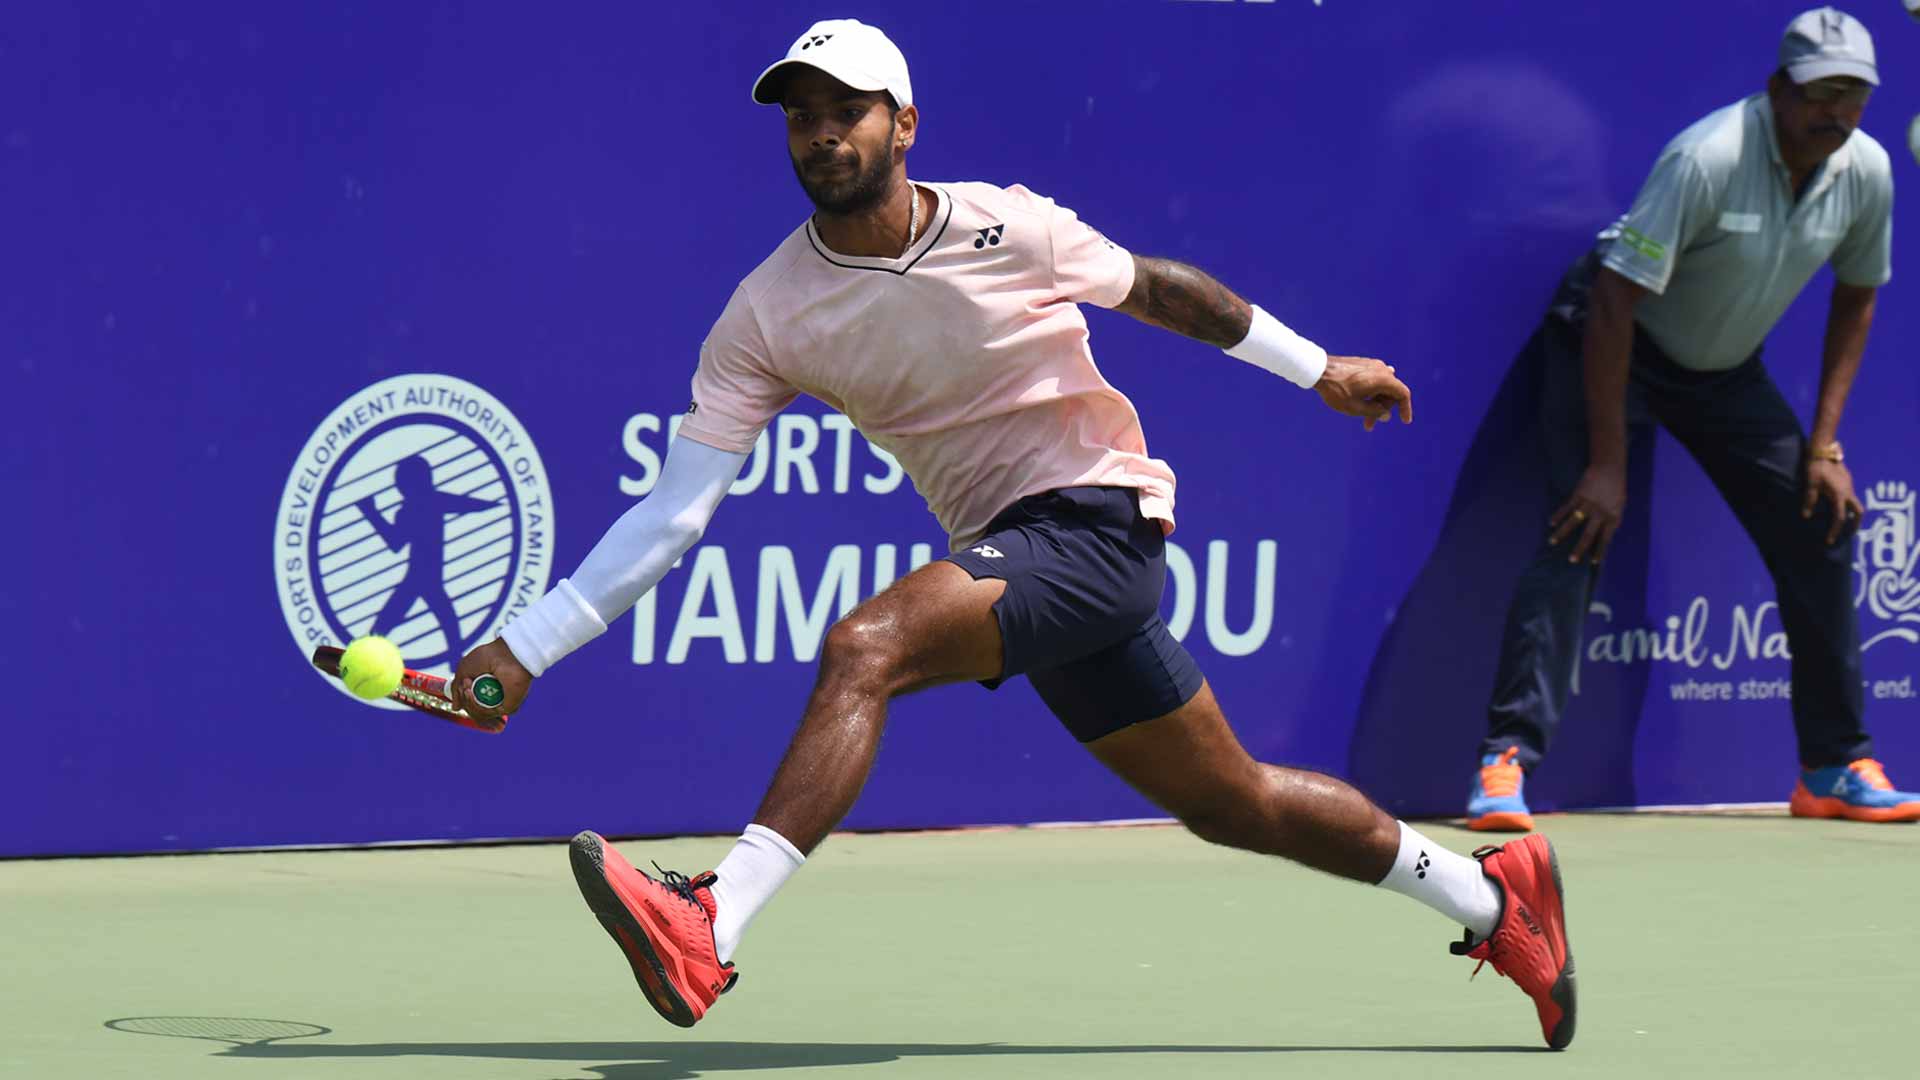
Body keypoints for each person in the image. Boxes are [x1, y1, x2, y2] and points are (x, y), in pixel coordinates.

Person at [450, 19, 1575, 1049]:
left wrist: (1317, 368)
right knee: (1235, 802)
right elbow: (672, 511)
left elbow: (1163, 292)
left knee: (866, 646)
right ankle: (1499, 900)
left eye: (847, 109)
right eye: (802, 114)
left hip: (1100, 523)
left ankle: (715, 921)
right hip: (1018, 557)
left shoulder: (1009, 224)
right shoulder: (766, 314)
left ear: (904, 125)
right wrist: (528, 646)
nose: (823, 132)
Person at [1465, 7, 1916, 832]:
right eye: (1821, 93)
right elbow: (1613, 297)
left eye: (1853, 96)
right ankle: (1504, 765)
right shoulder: (1708, 157)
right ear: (1781, 89)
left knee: (1820, 521)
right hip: (1609, 337)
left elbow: (1858, 296)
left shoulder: (1868, 172)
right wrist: (1608, 465)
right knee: (1580, 528)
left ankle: (1832, 765)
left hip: (1719, 371)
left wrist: (1824, 445)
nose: (1836, 112)